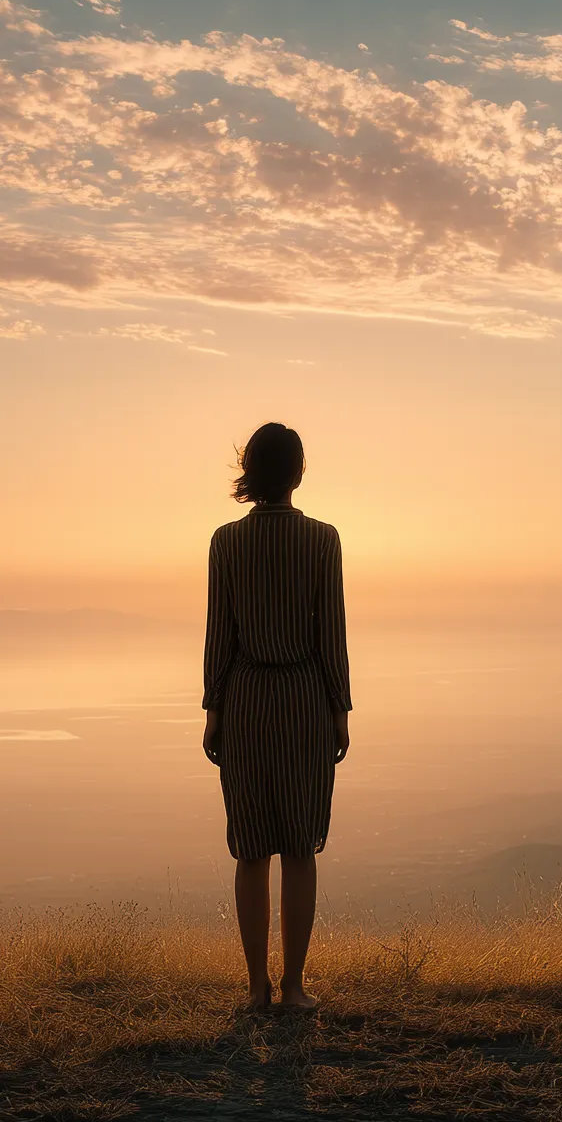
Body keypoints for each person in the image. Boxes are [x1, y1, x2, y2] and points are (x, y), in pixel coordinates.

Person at [200, 421, 352, 1014]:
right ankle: (293, 989)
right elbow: (330, 635)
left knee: (251, 850)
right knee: (299, 848)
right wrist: (340, 708)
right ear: (298, 472)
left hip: (245, 700)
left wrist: (213, 709)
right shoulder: (323, 540)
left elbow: (220, 636)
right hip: (305, 701)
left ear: (250, 470)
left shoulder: (225, 542)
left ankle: (256, 989)